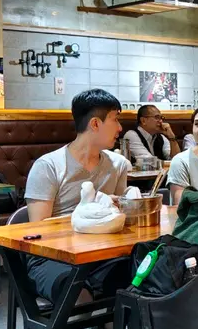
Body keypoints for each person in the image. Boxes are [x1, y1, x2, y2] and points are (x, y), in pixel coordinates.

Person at [23, 89, 132, 306]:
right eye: (115, 119)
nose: (120, 128)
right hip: (52, 258)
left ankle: (114, 328)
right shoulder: (48, 166)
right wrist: (92, 213)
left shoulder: (118, 165)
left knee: (145, 276)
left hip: (103, 255)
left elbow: (119, 219)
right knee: (77, 294)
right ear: (95, 124)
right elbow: (39, 230)